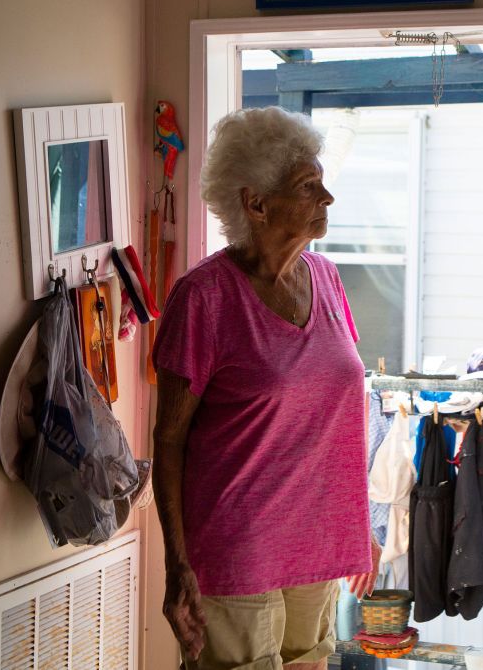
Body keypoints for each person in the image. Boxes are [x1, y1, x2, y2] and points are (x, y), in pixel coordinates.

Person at [152, 106, 381, 670]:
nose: (327, 198)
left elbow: (336, 410)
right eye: (309, 186)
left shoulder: (327, 279)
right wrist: (177, 566)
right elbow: (169, 441)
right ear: (255, 203)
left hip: (319, 539)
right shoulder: (204, 297)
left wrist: (362, 521)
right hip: (237, 545)